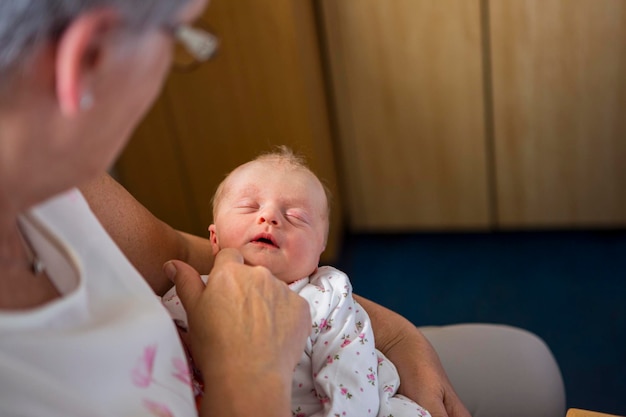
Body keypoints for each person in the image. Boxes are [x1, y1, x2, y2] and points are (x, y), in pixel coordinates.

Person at [0, 1, 565, 416]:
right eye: (181, 38)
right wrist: (246, 375)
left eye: (296, 216)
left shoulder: (64, 191)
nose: (269, 219)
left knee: (532, 369)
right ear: (86, 60)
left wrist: (397, 338)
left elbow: (174, 251)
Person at [162, 147, 431, 417]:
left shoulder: (329, 297)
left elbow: (350, 380)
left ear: (319, 251)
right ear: (214, 239)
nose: (269, 217)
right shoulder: (187, 297)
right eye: (248, 207)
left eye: (296, 217)